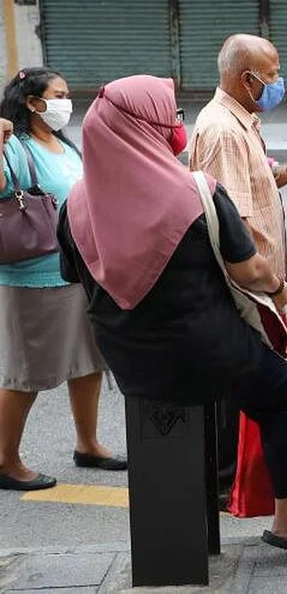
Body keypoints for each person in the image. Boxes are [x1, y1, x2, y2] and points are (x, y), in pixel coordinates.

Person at [57, 74, 287, 559]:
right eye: (170, 115)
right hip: (208, 350)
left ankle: (187, 521)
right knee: (283, 393)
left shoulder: (75, 203)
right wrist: (279, 287)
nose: (176, 123)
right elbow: (247, 267)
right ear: (148, 126)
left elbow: (74, 275)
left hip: (128, 359)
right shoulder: (197, 191)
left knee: (193, 404)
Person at [189, 34, 287, 507]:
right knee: (259, 395)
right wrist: (271, 286)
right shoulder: (224, 131)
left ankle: (236, 483)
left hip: (257, 291)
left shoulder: (241, 120)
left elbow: (250, 186)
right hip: (248, 294)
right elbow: (235, 226)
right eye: (272, 76)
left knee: (255, 393)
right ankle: (230, 485)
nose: (279, 83)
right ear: (247, 79)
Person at [0, 68, 124, 492]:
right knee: (28, 374)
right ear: (32, 103)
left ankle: (87, 444)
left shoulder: (65, 145)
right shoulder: (15, 146)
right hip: (35, 277)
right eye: (58, 95)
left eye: (68, 94)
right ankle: (5, 460)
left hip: (80, 270)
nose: (65, 103)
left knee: (88, 363)